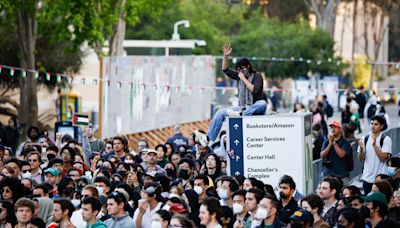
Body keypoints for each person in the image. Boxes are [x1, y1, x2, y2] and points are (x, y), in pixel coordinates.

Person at [195, 44, 267, 146]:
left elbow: (255, 91)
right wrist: (225, 56)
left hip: (255, 108)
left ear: (248, 67)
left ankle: (242, 115)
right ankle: (208, 137)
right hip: (242, 109)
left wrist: (243, 79)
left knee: (263, 103)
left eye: (241, 69)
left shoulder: (257, 76)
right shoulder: (239, 76)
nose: (239, 72)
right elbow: (226, 70)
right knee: (220, 112)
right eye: (237, 70)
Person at [358, 115, 392, 195]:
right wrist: (362, 149)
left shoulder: (386, 139)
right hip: (367, 178)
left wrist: (374, 146)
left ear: (382, 126)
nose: (373, 126)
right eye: (372, 123)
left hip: (380, 180)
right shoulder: (364, 138)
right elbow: (361, 158)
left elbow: (384, 158)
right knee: (368, 203)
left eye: (376, 124)